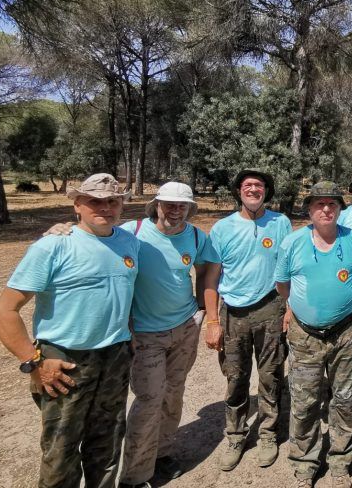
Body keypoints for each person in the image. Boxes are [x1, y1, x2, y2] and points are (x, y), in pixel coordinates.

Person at [0, 173, 139, 488]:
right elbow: (4, 311)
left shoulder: (129, 242)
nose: (105, 207)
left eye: (113, 201)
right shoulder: (53, 246)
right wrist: (33, 361)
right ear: (77, 205)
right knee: (61, 450)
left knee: (108, 440)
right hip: (65, 359)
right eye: (95, 201)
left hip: (114, 356)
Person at [117, 182, 217, 487]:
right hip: (146, 334)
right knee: (149, 399)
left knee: (174, 394)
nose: (175, 211)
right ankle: (134, 476)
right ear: (156, 205)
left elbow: (209, 267)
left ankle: (161, 455)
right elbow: (94, 238)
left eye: (181, 206)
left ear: (189, 208)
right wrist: (65, 229)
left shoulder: (197, 236)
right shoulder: (130, 233)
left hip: (184, 328)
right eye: (169, 204)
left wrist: (202, 310)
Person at [275, 181, 352, 488]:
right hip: (305, 336)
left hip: (345, 334)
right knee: (304, 403)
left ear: (340, 209)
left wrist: (341, 306)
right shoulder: (293, 243)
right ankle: (305, 464)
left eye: (332, 204)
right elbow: (282, 286)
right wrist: (299, 308)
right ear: (310, 209)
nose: (326, 209)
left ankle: (340, 461)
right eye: (320, 204)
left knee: (345, 401)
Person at [201, 169, 292, 471]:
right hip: (234, 314)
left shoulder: (281, 223)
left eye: (259, 185)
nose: (253, 189)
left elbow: (290, 269)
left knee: (271, 376)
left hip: (271, 308)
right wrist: (212, 321)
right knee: (236, 378)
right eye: (247, 185)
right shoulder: (222, 229)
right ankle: (236, 436)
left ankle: (267, 434)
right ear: (238, 191)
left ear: (267, 191)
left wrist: (289, 308)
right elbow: (211, 277)